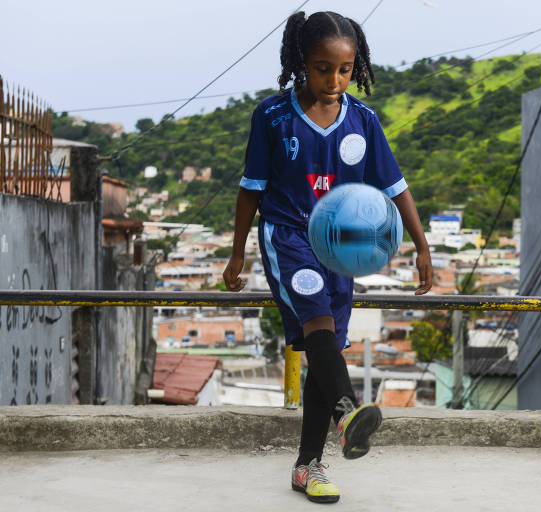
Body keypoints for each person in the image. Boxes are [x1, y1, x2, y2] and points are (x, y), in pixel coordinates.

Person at [222, 10, 432, 505]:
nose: (334, 80)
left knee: (326, 350)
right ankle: (349, 412)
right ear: (301, 62)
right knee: (317, 322)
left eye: (344, 69)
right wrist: (237, 256)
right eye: (322, 68)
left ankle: (308, 467)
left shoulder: (363, 120)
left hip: (342, 249)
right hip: (288, 237)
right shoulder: (272, 116)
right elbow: (249, 192)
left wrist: (423, 246)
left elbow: (395, 186)